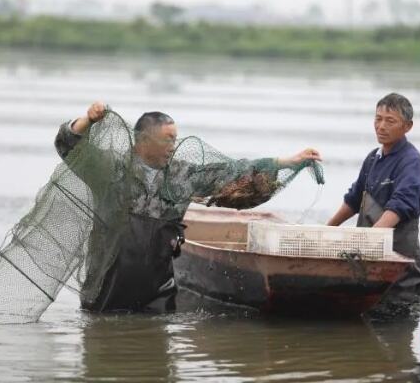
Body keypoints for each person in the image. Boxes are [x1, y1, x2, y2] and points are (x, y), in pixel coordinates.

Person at [55, 101, 322, 312]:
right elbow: (68, 145)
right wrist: (87, 120)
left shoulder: (182, 175)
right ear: (143, 141)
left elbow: (233, 172)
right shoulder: (110, 170)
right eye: (167, 140)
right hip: (106, 287)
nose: (173, 146)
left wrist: (287, 161)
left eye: (175, 139)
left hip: (156, 290)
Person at [327, 93, 420, 289]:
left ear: (408, 126)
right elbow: (354, 199)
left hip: (400, 280)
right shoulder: (373, 158)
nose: (381, 126)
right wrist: (326, 231)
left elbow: (400, 206)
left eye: (390, 121)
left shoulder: (410, 162)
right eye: (378, 119)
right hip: (369, 270)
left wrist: (365, 243)